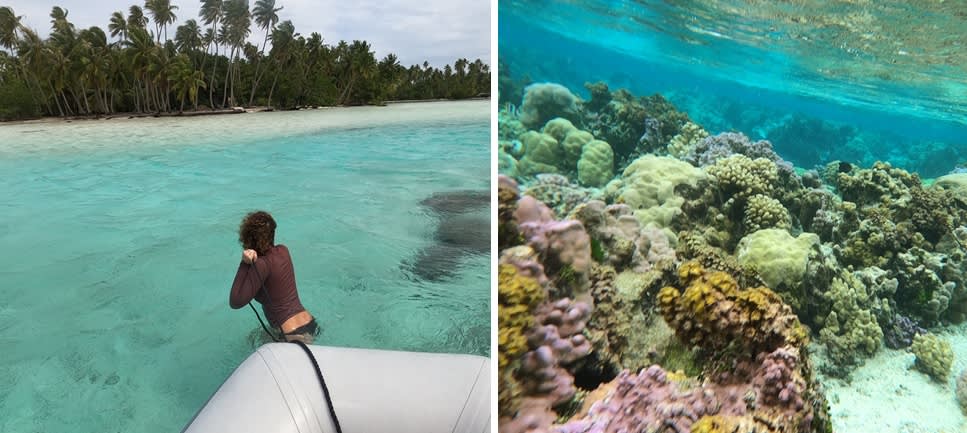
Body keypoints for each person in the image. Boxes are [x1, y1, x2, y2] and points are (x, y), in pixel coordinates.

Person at [229, 210, 319, 344]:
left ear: (247, 238)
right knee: (253, 337)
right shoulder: (284, 250)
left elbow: (235, 302)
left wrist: (244, 263)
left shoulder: (260, 265)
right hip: (310, 323)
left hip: (291, 335)